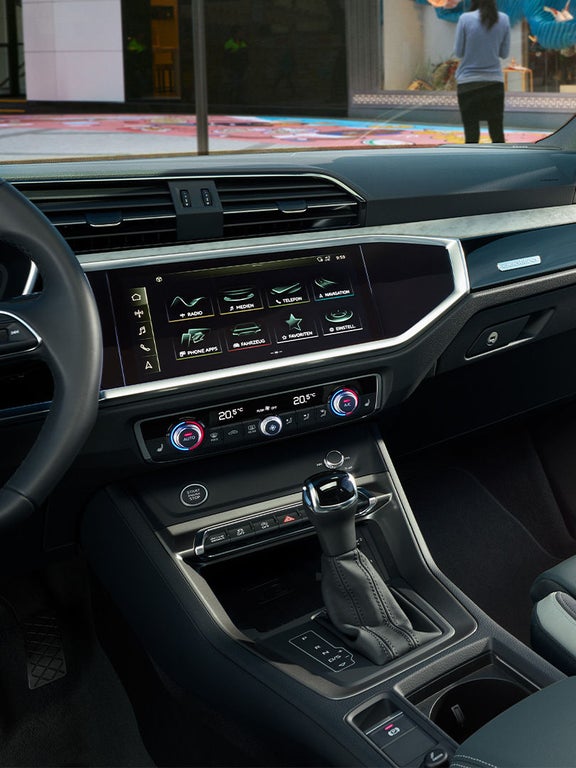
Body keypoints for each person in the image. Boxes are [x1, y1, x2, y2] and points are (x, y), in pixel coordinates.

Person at [454, 0, 511, 143]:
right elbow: (504, 53)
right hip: (494, 83)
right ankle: (501, 164)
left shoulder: (464, 19)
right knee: (497, 132)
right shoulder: (503, 19)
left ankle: (472, 165)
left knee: (471, 133)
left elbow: (459, 52)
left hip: (468, 84)